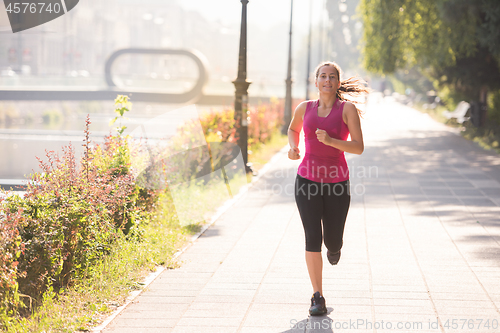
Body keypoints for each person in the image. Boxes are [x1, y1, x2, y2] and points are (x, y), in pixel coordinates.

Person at [287, 61, 368, 316]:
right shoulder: (304, 108)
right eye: (322, 76)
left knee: (331, 240)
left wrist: (332, 141)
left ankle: (335, 248)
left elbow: (358, 146)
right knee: (312, 237)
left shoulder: (347, 110)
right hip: (307, 181)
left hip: (336, 184)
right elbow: (292, 129)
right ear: (316, 81)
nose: (327, 80)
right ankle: (317, 296)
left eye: (332, 77)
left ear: (337, 82)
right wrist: (293, 146)